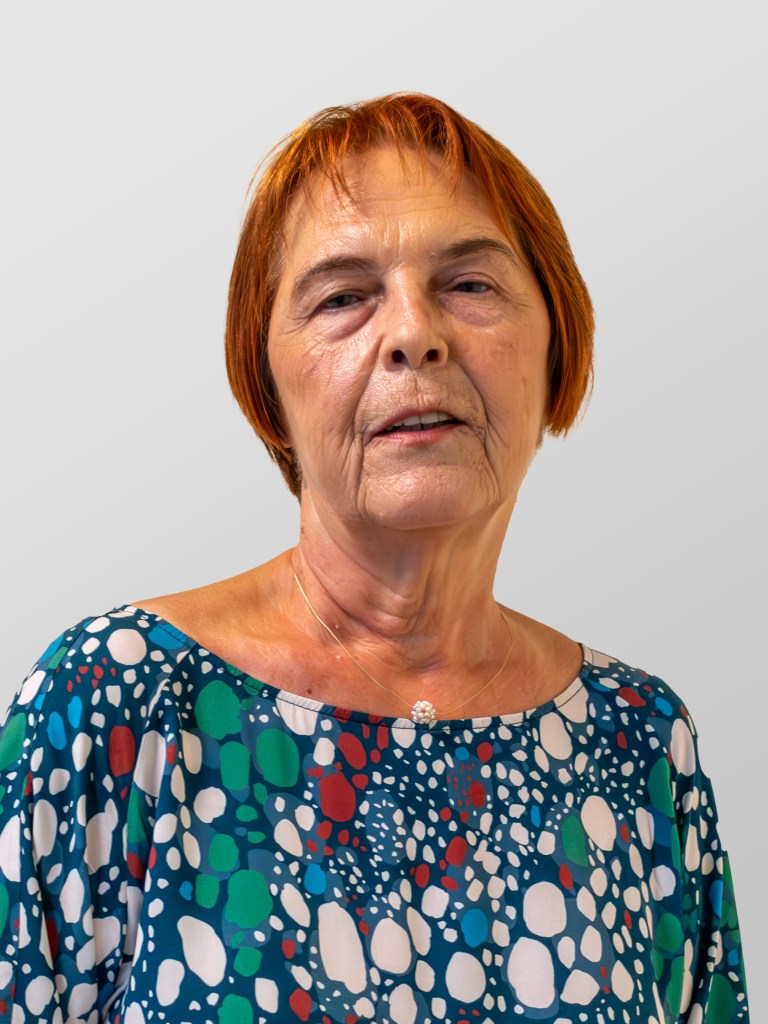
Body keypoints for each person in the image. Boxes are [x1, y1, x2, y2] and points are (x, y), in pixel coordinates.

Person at [0, 93, 748, 1023]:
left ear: (558, 346)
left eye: (469, 285)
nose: (413, 335)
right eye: (344, 298)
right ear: (267, 386)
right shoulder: (114, 702)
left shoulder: (639, 743)